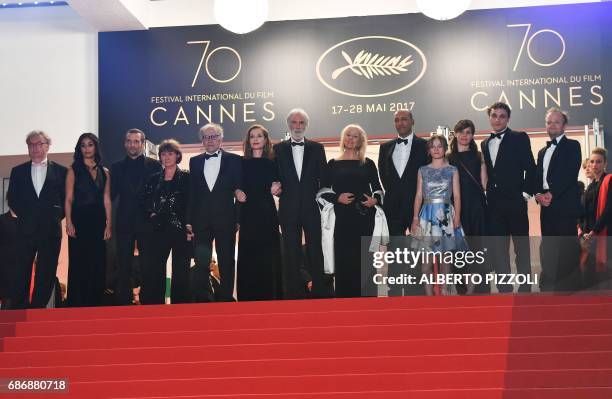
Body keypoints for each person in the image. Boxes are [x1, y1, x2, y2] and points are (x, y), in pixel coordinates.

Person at [317, 124, 385, 297]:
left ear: (361, 140)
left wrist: (374, 200)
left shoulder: (368, 163)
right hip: (342, 219)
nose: (350, 139)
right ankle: (344, 302)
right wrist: (337, 197)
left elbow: (378, 189)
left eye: (355, 136)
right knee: (343, 259)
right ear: (343, 138)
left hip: (365, 218)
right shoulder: (332, 164)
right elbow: (322, 190)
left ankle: (368, 301)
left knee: (365, 260)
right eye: (348, 135)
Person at [6, 130, 67, 309]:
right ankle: (19, 307)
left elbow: (66, 200)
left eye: (39, 144)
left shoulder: (62, 171)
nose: (35, 148)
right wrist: (26, 216)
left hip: (51, 229)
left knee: (46, 271)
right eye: (31, 145)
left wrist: (56, 215)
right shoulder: (17, 171)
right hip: (25, 229)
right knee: (21, 270)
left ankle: (38, 308)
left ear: (47, 146)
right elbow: (13, 198)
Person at [481, 102, 536, 293]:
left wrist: (524, 194)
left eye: (502, 116)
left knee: (521, 247)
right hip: (494, 205)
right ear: (490, 117)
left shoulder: (519, 137)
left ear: (508, 119)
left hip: (516, 201)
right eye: (494, 115)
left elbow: (531, 167)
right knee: (499, 249)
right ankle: (504, 286)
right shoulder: (485, 143)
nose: (497, 119)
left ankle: (525, 285)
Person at [186, 123, 245, 302]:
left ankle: (225, 299)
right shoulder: (194, 161)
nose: (210, 140)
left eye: (213, 137)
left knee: (227, 261)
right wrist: (189, 220)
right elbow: (192, 193)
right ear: (202, 141)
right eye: (206, 137)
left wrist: (238, 219)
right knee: (202, 262)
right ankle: (204, 300)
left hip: (226, 220)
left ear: (220, 139)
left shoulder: (235, 160)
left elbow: (240, 190)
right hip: (200, 221)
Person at [273, 108, 328, 298]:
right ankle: (293, 295)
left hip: (312, 208)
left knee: (315, 250)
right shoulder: (277, 149)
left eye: (301, 123)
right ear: (288, 125)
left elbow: (325, 180)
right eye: (294, 123)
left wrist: (323, 203)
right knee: (290, 253)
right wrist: (277, 190)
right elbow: (274, 178)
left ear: (306, 126)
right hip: (288, 209)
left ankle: (320, 293)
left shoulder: (317, 148)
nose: (298, 126)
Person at [378, 109, 428, 296]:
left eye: (404, 119)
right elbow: (383, 175)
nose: (400, 123)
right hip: (393, 206)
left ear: (412, 121)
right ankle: (395, 288)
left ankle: (416, 288)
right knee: (395, 249)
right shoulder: (385, 148)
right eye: (397, 120)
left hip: (419, 206)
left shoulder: (425, 146)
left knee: (417, 247)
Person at [110, 128, 162, 305]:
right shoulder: (116, 168)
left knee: (148, 264)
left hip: (147, 222)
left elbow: (159, 194)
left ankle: (148, 302)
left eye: (136, 141)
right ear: (125, 143)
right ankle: (123, 302)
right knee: (123, 264)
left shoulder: (155, 165)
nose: (132, 144)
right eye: (129, 141)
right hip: (124, 221)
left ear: (142, 143)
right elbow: (109, 195)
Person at [534, 108, 582, 291]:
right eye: (549, 122)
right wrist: (539, 195)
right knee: (549, 247)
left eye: (556, 122)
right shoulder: (541, 152)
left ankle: (570, 289)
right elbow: (538, 179)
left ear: (564, 125)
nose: (552, 125)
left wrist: (551, 193)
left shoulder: (573, 145)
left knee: (567, 248)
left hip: (565, 204)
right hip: (546, 205)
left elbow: (570, 174)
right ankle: (549, 287)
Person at [412, 135, 465, 296]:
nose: (436, 149)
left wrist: (457, 217)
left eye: (439, 146)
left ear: (445, 148)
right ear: (428, 150)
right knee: (426, 262)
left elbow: (457, 196)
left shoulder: (452, 170)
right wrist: (415, 218)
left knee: (446, 259)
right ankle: (429, 295)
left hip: (446, 215)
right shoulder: (422, 170)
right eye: (433, 146)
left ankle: (445, 293)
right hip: (426, 216)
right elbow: (419, 195)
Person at [141, 139, 191, 304]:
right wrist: (152, 215)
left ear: (177, 155)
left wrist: (190, 226)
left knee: (181, 271)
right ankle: (156, 309)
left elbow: (192, 203)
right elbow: (145, 201)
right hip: (158, 230)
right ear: (160, 157)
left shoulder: (187, 177)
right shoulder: (153, 178)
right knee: (155, 270)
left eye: (170, 153)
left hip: (181, 229)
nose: (167, 157)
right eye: (163, 154)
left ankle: (180, 308)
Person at [65, 133, 112, 307]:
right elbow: (68, 198)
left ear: (95, 147)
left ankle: (95, 303)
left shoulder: (104, 171)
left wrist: (109, 223)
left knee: (98, 261)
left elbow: (107, 199)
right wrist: (68, 222)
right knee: (79, 262)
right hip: (79, 221)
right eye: (83, 145)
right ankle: (78, 303)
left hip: (98, 221)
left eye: (90, 145)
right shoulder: (73, 170)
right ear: (79, 148)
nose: (87, 148)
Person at [237, 125, 282, 301]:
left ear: (265, 140)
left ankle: (271, 297)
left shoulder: (273, 162)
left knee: (268, 256)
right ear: (248, 141)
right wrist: (236, 192)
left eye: (259, 136)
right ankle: (248, 298)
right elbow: (236, 186)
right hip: (248, 214)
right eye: (252, 136)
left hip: (267, 214)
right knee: (249, 256)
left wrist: (278, 188)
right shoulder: (241, 163)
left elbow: (281, 186)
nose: (255, 139)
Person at [448, 119, 488, 294]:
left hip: (477, 208)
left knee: (477, 249)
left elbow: (484, 184)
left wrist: (485, 162)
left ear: (473, 135)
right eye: (461, 132)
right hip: (455, 209)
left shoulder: (479, 156)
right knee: (457, 251)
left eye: (469, 132)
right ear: (455, 133)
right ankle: (462, 290)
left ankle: (480, 289)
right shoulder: (447, 158)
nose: (465, 135)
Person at [583, 148, 611, 289]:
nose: (595, 165)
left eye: (599, 162)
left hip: (605, 233)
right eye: (592, 162)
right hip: (590, 235)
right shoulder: (591, 186)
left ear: (605, 164)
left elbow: (608, 210)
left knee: (606, 274)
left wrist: (595, 230)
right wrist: (584, 231)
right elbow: (586, 211)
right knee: (591, 275)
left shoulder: (609, 180)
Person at [0, 205, 18, 309]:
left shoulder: (25, 221)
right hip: (3, 264)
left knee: (11, 298)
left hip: (18, 265)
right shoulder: (1, 219)